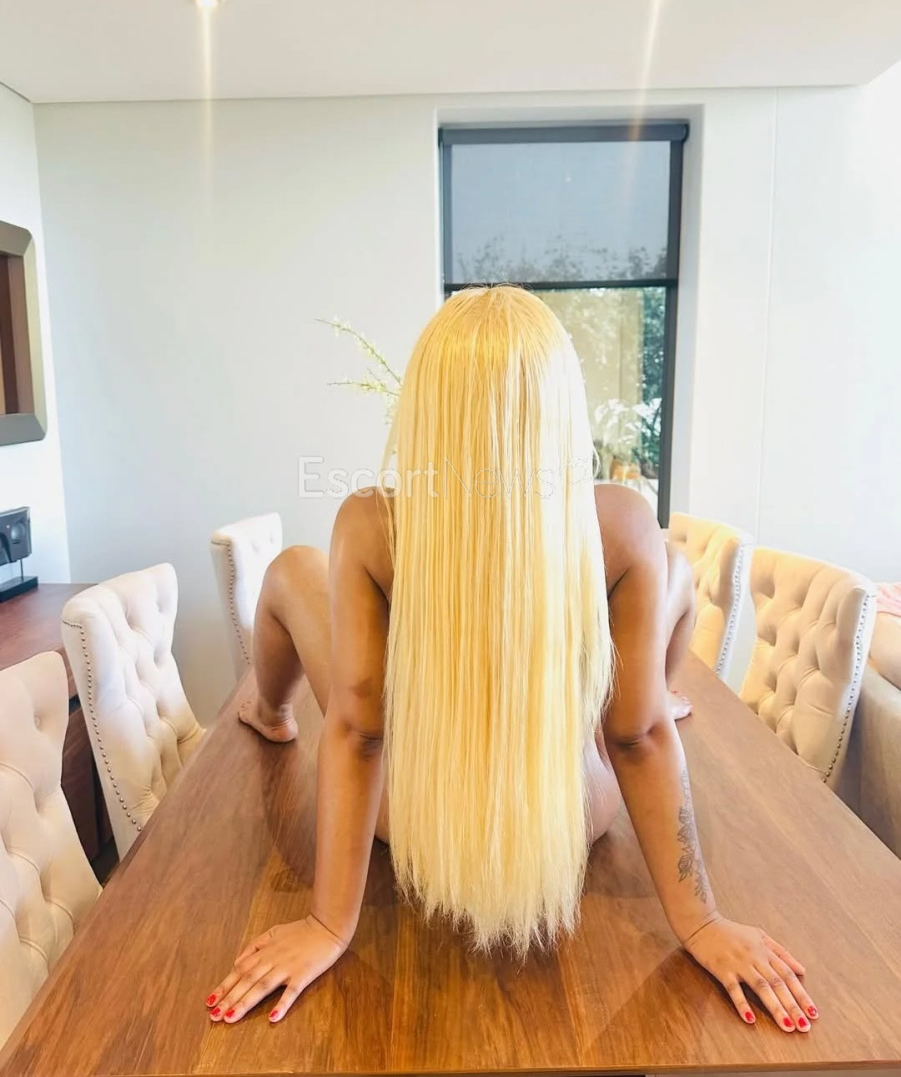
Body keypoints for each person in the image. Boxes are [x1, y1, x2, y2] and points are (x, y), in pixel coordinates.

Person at [206, 286, 816, 1032]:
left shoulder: (371, 525)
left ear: (425, 410)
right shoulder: (621, 522)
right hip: (572, 818)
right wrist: (702, 921)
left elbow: (359, 732)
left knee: (290, 572)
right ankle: (663, 686)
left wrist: (329, 925)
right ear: (560, 407)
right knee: (676, 576)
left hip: (414, 824)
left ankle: (267, 711)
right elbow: (636, 737)